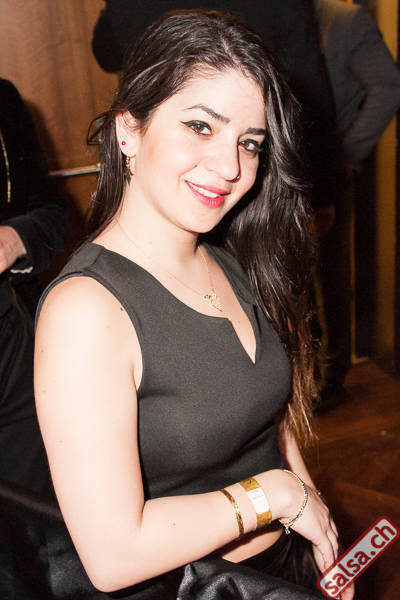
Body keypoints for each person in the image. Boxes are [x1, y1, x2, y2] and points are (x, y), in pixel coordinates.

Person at [35, 11, 353, 600]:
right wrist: (276, 496)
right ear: (128, 130)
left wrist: (317, 529)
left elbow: (273, 426)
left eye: (249, 143)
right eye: (201, 127)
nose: (231, 168)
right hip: (198, 587)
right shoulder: (87, 311)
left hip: (286, 563)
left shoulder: (231, 261)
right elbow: (113, 556)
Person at [313, 0, 400, 409]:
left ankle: (330, 377)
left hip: (327, 173)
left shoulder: (345, 19)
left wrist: (347, 152)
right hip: (278, 171)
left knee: (327, 275)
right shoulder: (271, 15)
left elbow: (388, 87)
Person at [0, 78, 66, 494]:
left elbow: (53, 214)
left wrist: (14, 239)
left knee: (37, 516)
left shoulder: (2, 99)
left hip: (14, 352)